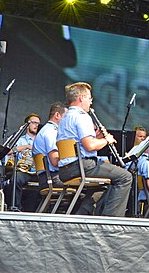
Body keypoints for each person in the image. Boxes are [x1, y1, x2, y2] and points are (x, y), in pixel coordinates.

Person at [57, 82, 132, 217]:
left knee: (105, 183)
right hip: (81, 166)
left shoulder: (65, 119)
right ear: (81, 98)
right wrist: (106, 140)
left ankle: (82, 214)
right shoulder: (82, 117)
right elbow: (90, 146)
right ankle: (111, 220)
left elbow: (80, 142)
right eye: (89, 98)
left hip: (65, 169)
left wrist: (97, 136)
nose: (91, 102)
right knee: (125, 177)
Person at [5, 113, 41, 211]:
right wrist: (26, 147)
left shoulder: (41, 140)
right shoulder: (19, 140)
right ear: (27, 124)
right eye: (33, 122)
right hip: (24, 171)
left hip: (38, 170)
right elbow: (8, 151)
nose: (36, 125)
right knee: (16, 178)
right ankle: (15, 207)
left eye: (38, 123)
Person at [32, 102, 68, 193]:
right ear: (57, 115)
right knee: (87, 185)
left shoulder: (46, 130)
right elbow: (55, 161)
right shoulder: (51, 132)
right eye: (65, 117)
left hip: (46, 178)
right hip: (53, 178)